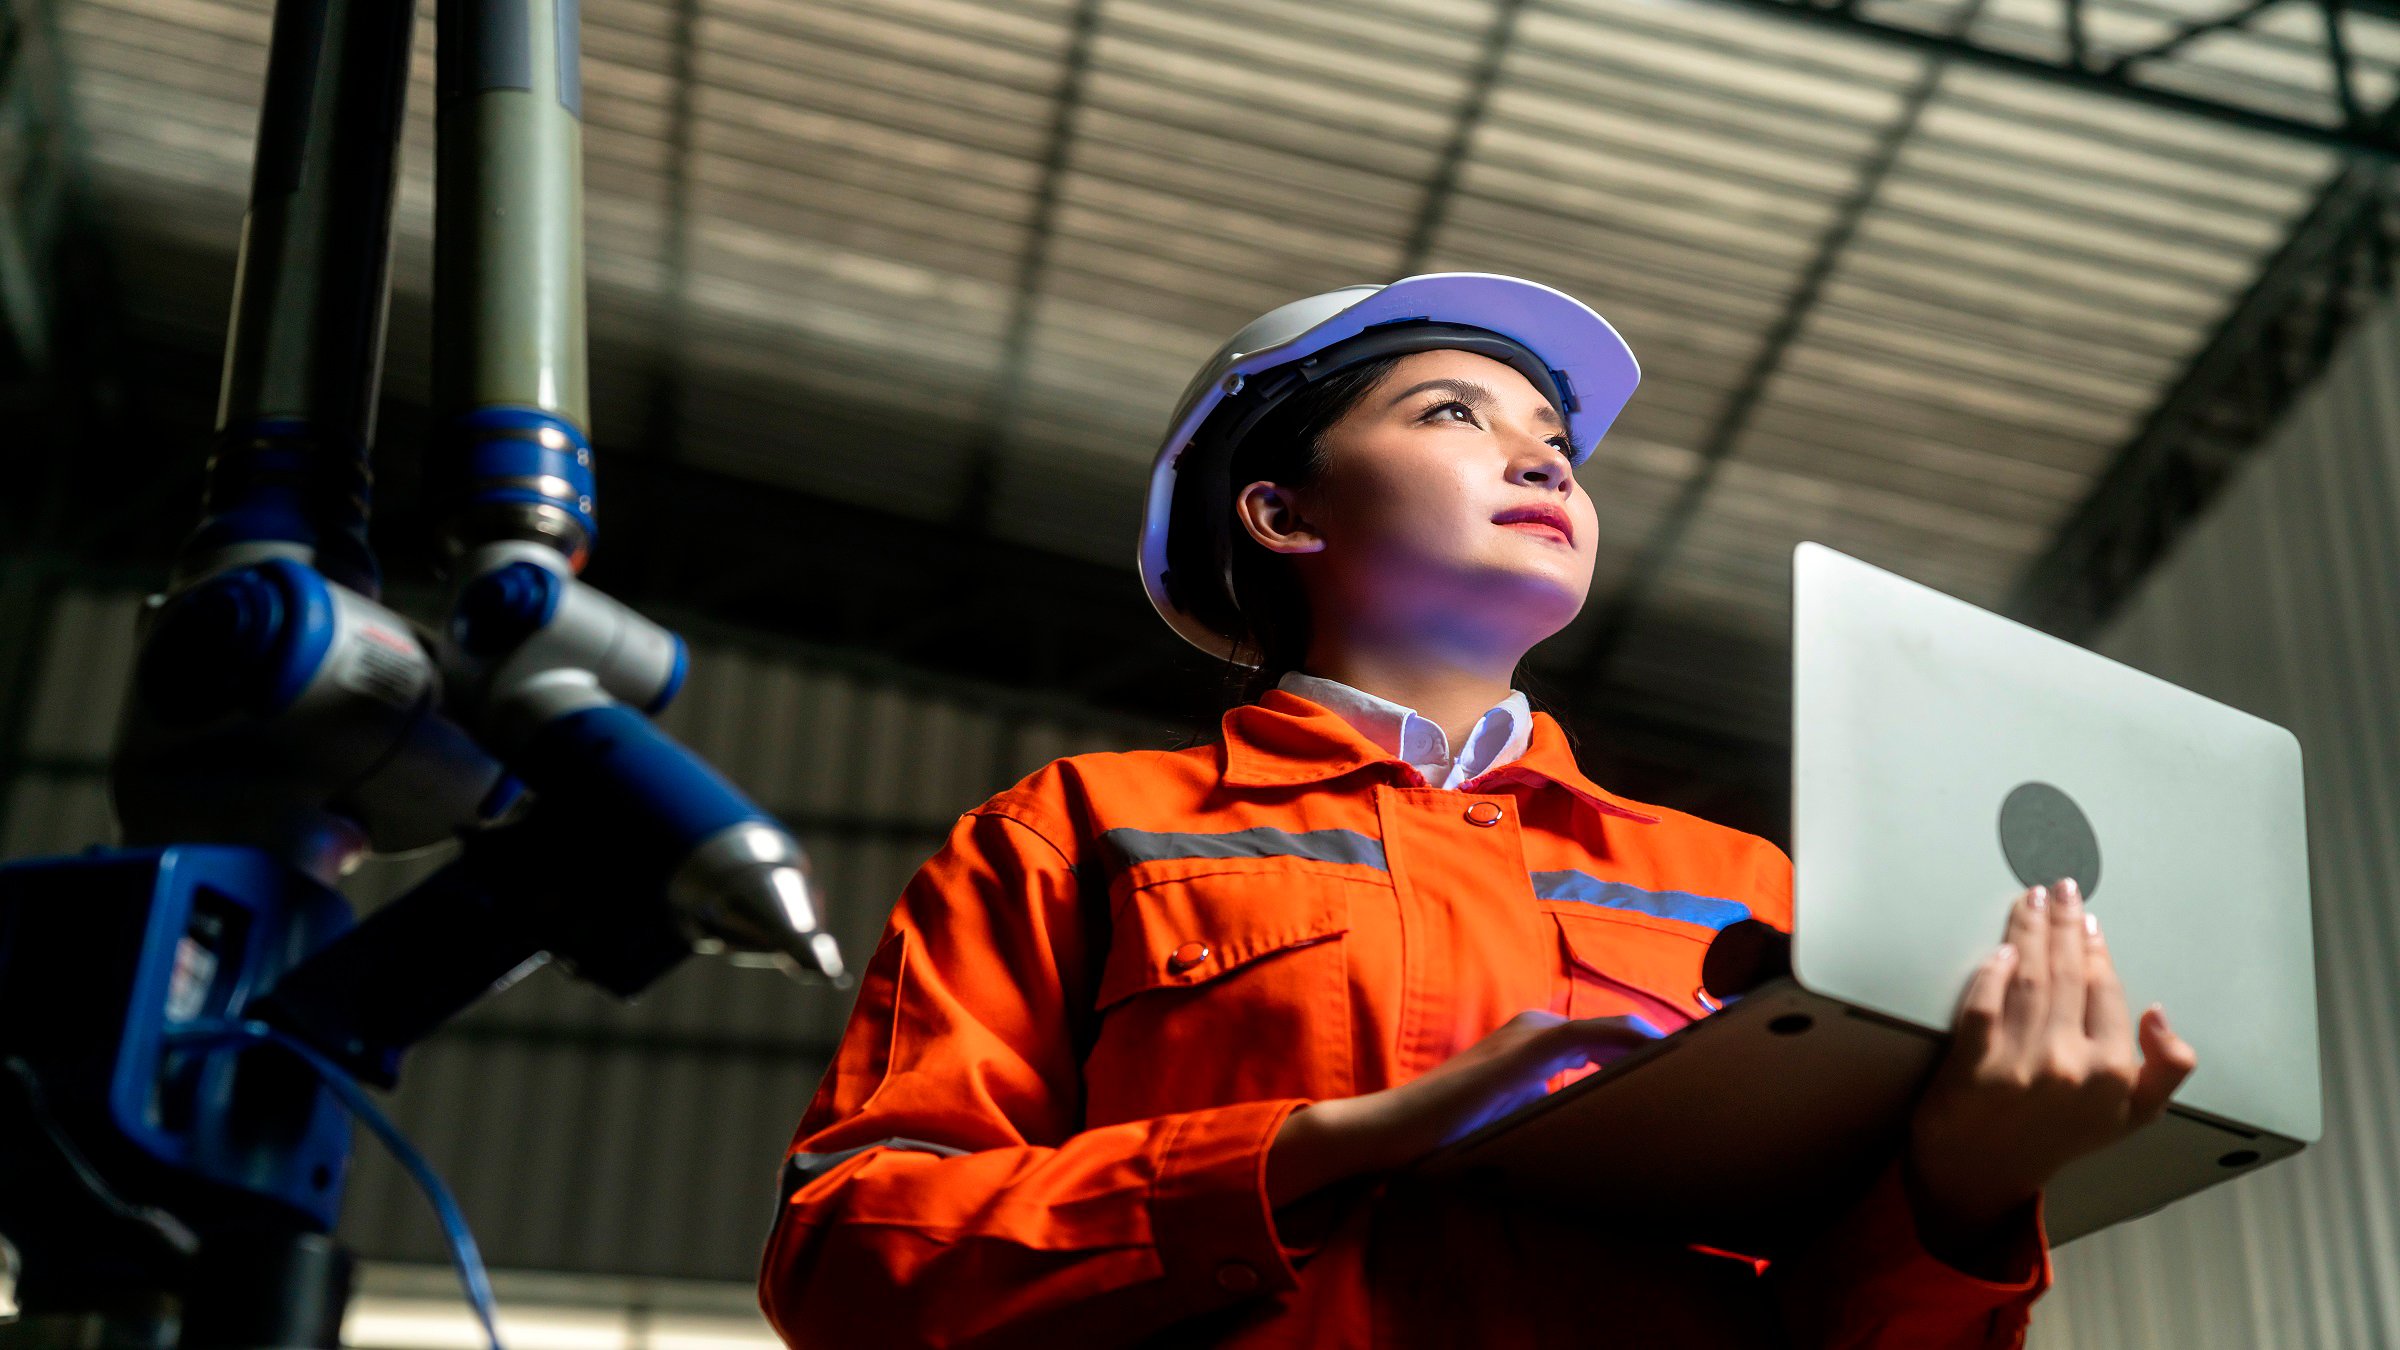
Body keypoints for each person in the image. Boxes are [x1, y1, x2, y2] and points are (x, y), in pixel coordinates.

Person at [755, 273, 2199, 1348]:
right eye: (1455, 413)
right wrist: (1334, 1139)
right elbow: (848, 1252)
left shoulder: (1740, 885)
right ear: (1282, 513)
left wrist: (1963, 1193)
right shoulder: (1076, 835)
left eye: (1555, 436)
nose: (1546, 456)